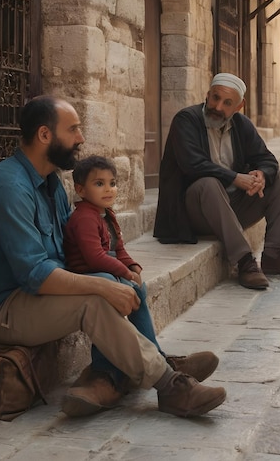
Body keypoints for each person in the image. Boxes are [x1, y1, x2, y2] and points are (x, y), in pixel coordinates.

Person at [0, 95, 226, 419]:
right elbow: (35, 274)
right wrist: (101, 288)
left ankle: (130, 367)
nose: (81, 138)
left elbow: (65, 255)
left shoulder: (51, 183)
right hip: (0, 310)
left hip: (30, 294)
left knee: (115, 283)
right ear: (45, 135)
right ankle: (170, 385)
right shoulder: (9, 188)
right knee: (96, 300)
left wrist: (113, 276)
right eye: (72, 130)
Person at [63, 155, 217, 386]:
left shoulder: (106, 215)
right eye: (99, 184)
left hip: (104, 267)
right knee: (124, 290)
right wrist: (124, 273)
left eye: (112, 183)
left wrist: (133, 267)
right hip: (87, 273)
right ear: (80, 190)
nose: (108, 189)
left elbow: (119, 250)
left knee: (138, 290)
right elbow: (94, 257)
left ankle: (152, 357)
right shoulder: (85, 217)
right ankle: (136, 364)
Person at [153, 72, 280, 290]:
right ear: (207, 95)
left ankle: (274, 255)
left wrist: (261, 175)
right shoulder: (186, 120)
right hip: (193, 212)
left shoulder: (241, 125)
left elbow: (267, 159)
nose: (218, 107)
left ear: (239, 106)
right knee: (208, 183)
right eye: (215, 98)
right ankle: (245, 262)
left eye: (227, 103)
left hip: (231, 208)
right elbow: (193, 164)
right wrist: (235, 178)